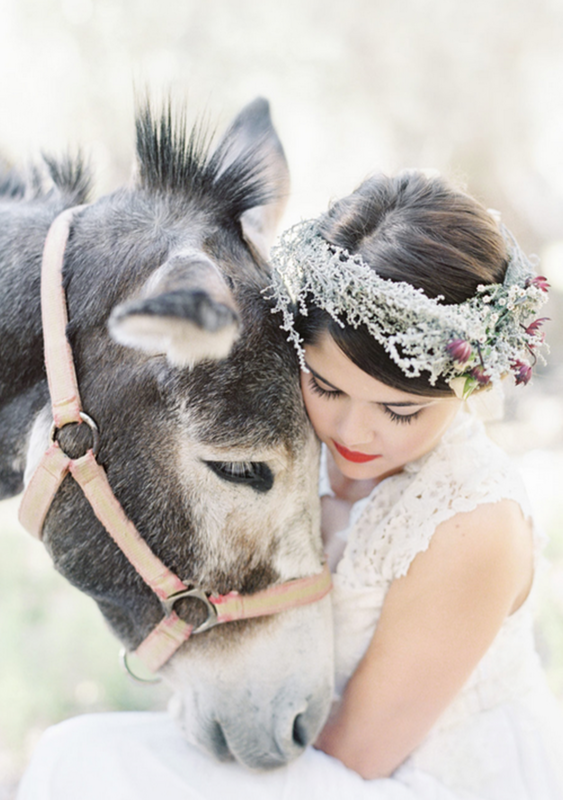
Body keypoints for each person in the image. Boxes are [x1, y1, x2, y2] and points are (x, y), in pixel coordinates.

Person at [17, 171, 561, 800]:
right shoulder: (306, 437)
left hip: (409, 777)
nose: (353, 431)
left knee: (81, 758)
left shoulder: (473, 525)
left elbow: (356, 758)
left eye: (401, 410)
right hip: (318, 753)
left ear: (472, 385)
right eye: (326, 387)